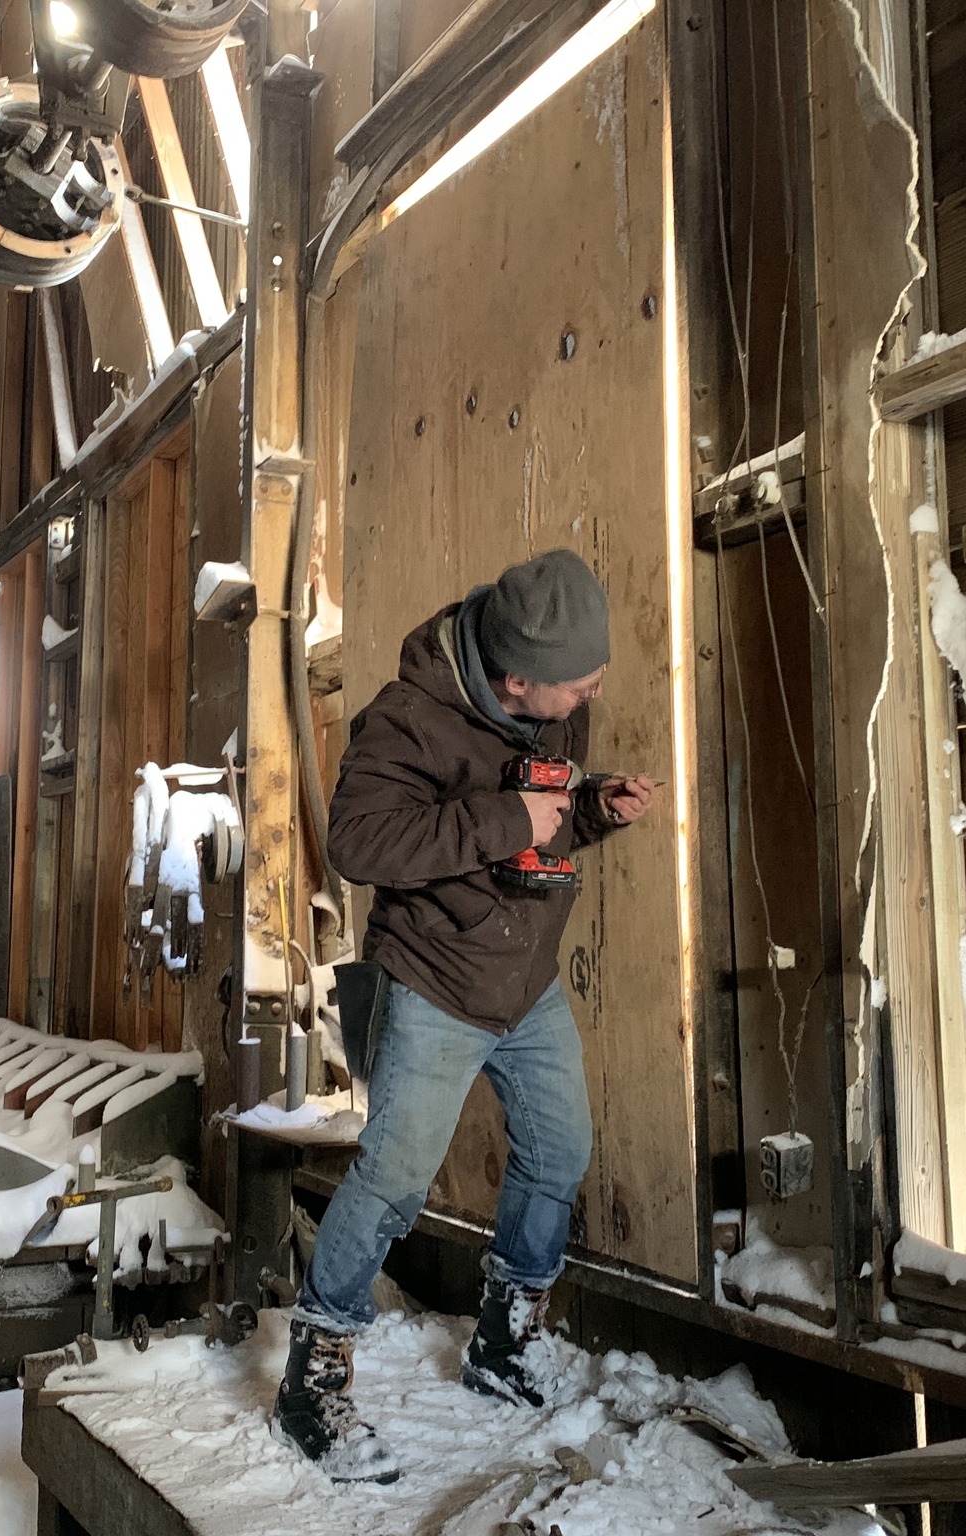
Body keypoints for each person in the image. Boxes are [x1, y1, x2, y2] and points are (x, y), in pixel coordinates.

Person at [271, 548, 657, 1482]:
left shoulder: (551, 695)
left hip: (525, 983)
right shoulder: (407, 720)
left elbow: (544, 807)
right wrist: (502, 822)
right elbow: (357, 841)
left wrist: (592, 806)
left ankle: (502, 1337)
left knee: (558, 1155)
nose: (592, 694)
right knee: (395, 1176)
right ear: (516, 679)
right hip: (437, 983)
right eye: (579, 686)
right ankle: (311, 1376)